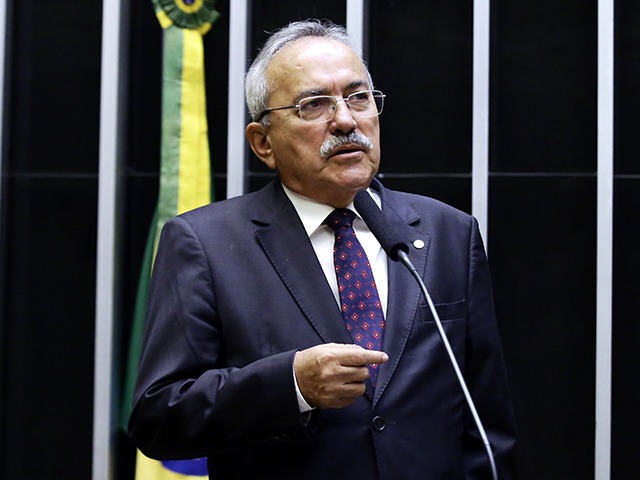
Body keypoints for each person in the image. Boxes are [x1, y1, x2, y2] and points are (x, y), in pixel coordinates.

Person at [129, 19, 517, 479]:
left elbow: (486, 424)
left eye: (359, 97)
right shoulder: (205, 244)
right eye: (314, 104)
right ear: (263, 143)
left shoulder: (448, 232)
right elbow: (160, 418)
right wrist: (291, 385)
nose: (347, 120)